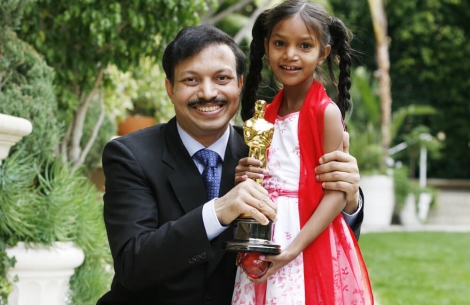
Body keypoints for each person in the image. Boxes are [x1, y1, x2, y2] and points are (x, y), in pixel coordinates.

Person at [96, 23, 364, 305]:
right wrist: (219, 211)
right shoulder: (130, 155)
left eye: (222, 78)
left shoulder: (267, 149)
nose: (208, 93)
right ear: (169, 88)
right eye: (191, 80)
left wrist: (348, 201)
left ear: (239, 84)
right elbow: (133, 264)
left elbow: (316, 236)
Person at [231, 1, 373, 304]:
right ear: (266, 47)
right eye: (280, 43)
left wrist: (293, 248)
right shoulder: (265, 115)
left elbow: (336, 193)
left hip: (305, 241)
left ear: (323, 53)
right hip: (265, 237)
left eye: (304, 45)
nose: (290, 54)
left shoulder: (325, 114)